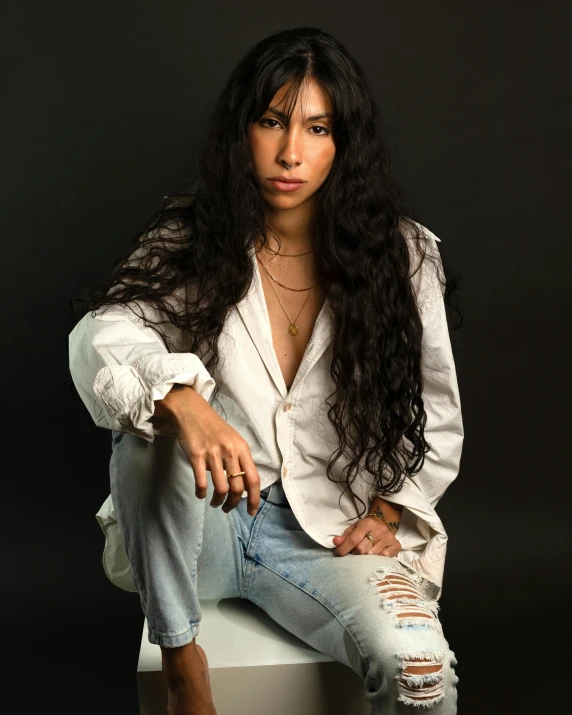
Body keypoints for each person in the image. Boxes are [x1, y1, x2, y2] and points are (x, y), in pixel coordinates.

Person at [68, 26, 463, 715]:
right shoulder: (191, 238)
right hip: (204, 526)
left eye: (316, 128)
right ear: (242, 129)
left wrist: (390, 505)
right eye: (273, 121)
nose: (290, 152)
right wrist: (184, 401)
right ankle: (182, 659)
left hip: (325, 533)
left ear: (344, 143)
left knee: (422, 677)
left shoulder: (404, 257)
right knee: (145, 430)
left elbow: (438, 414)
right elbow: (95, 336)